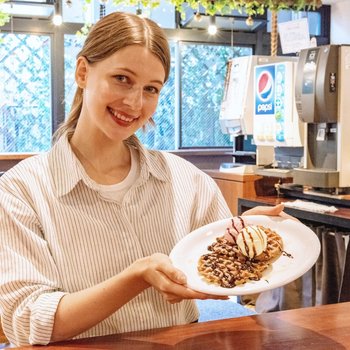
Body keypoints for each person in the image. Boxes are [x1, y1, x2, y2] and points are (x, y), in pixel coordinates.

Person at [0, 12, 288, 346]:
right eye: (122, 78)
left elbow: (217, 270)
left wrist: (244, 233)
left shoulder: (187, 181)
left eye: (151, 89)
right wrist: (136, 277)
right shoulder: (21, 190)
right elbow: (25, 320)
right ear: (83, 72)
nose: (135, 103)